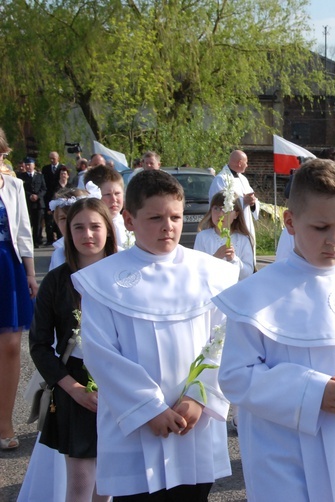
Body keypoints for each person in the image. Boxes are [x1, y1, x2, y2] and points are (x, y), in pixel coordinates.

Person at [215, 159, 335, 501]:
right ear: (290, 222)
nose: (334, 239)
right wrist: (314, 392)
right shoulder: (257, 294)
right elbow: (235, 375)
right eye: (321, 227)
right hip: (283, 453)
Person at [71, 169, 238, 499]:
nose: (169, 226)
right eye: (156, 217)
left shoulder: (211, 273)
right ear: (130, 220)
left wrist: (198, 396)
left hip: (193, 421)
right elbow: (101, 354)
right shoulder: (104, 280)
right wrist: (149, 409)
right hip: (135, 425)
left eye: (176, 216)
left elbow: (222, 340)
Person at [30, 197, 117, 502]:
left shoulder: (126, 276)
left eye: (95, 226)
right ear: (68, 233)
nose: (87, 234)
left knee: (107, 483)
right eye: (78, 227)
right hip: (75, 385)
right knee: (80, 482)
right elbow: (39, 345)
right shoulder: (56, 281)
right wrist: (74, 388)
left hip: (119, 382)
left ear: (109, 229)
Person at [0, 127, 39, 451]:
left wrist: (30, 274)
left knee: (12, 345)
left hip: (8, 267)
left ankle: (4, 422)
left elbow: (24, 232)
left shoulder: (13, 185)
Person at [209, 150, 260, 267]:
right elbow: (219, 203)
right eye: (246, 163)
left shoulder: (243, 179)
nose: (247, 165)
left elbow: (251, 197)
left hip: (245, 224)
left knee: (246, 261)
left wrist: (252, 203)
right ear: (239, 163)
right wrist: (243, 201)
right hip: (231, 227)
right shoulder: (221, 179)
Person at [194, 191, 255, 280]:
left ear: (236, 214)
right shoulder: (202, 237)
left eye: (226, 209)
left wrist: (234, 259)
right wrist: (216, 257)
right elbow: (196, 270)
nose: (220, 214)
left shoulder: (243, 240)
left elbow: (248, 274)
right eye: (216, 208)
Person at [84, 165, 130, 248]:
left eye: (117, 193)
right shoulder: (90, 228)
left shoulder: (128, 223)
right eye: (107, 194)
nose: (114, 199)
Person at [20, 157, 47, 248]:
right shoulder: (21, 176)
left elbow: (44, 189)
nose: (28, 166)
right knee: (27, 223)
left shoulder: (39, 176)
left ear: (34, 165)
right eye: (26, 165)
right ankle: (27, 241)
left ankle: (36, 241)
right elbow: (21, 189)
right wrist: (30, 196)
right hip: (27, 203)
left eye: (29, 165)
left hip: (38, 203)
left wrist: (37, 196)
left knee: (38, 224)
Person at [42, 151, 66, 245]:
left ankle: (61, 237)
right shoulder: (46, 169)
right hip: (48, 195)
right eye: (50, 158)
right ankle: (49, 239)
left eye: (54, 158)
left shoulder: (62, 168)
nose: (52, 160)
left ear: (58, 159)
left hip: (59, 195)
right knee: (48, 219)